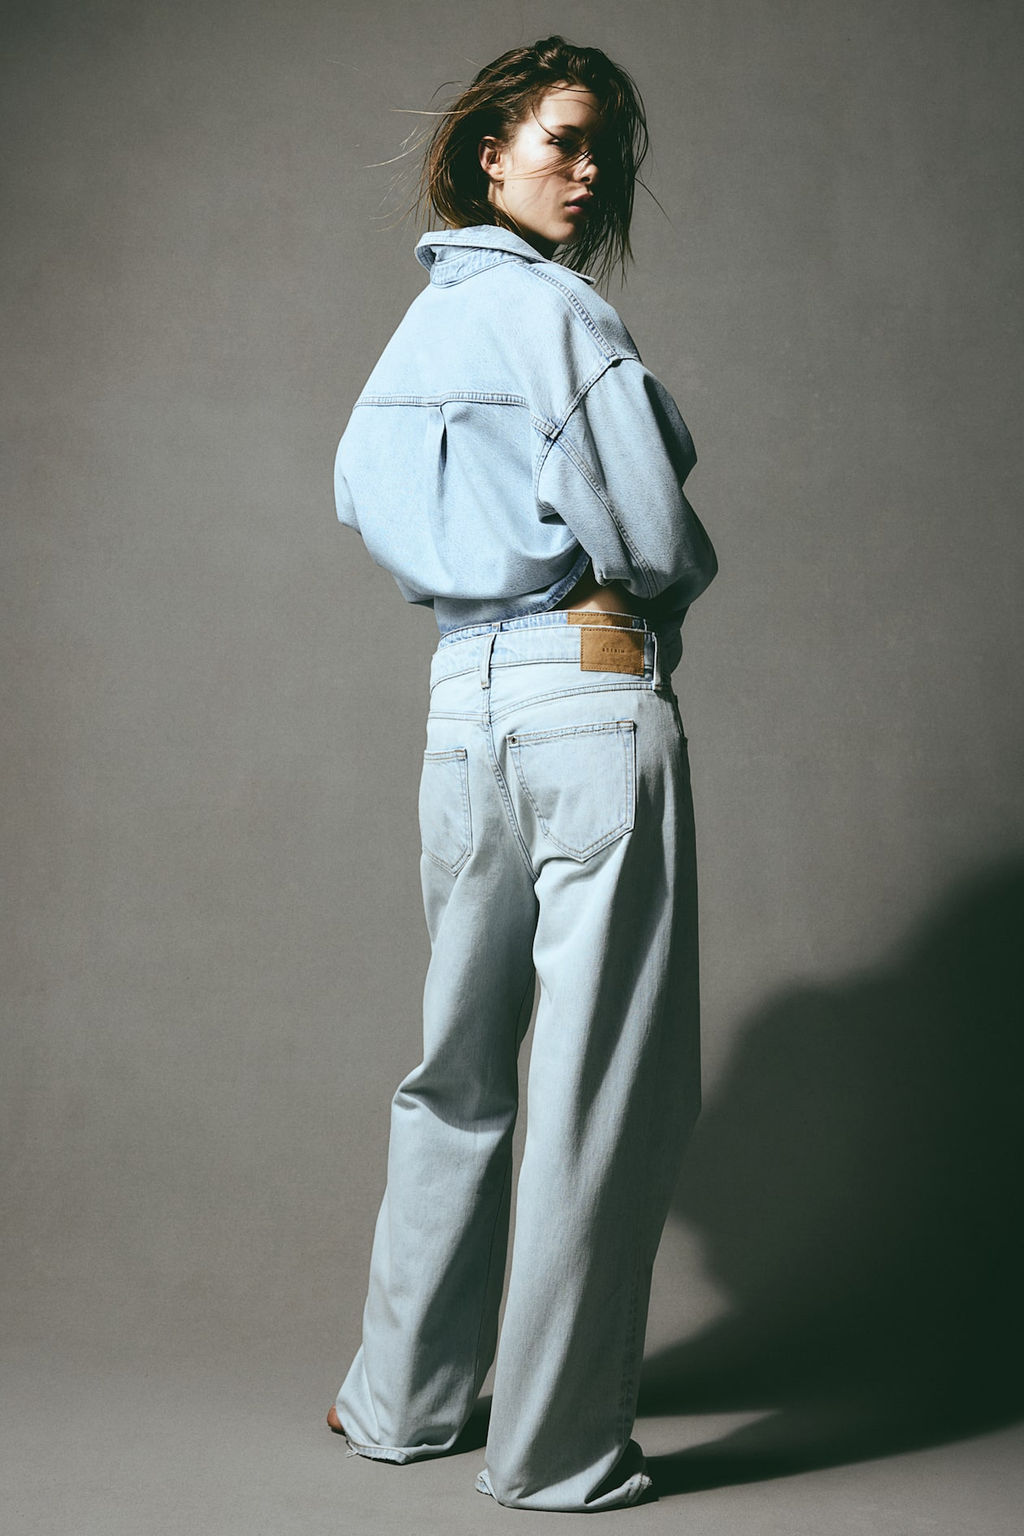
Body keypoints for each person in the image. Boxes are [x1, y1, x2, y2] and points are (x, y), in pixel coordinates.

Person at [327, 35, 718, 1512]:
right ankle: (557, 1454)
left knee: (455, 1070)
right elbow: (656, 538)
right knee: (595, 1087)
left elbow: (360, 492)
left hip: (460, 711)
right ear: (490, 155)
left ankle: (399, 1403)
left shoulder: (415, 332)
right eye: (564, 139)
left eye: (605, 147)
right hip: (586, 699)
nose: (590, 170)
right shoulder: (562, 314)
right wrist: (648, 582)